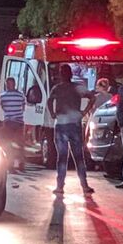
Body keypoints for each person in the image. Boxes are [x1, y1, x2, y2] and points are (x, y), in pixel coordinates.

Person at [47, 64, 95, 195]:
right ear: (71, 74)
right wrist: (84, 112)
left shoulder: (57, 88)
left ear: (61, 74)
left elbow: (49, 101)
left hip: (61, 125)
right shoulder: (77, 88)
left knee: (62, 157)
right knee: (79, 157)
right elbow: (92, 97)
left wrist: (52, 113)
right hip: (75, 124)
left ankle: (60, 186)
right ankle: (84, 185)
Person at [0, 77, 27, 171]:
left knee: (8, 144)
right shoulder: (21, 95)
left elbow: (3, 107)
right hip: (19, 122)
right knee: (20, 144)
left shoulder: (3, 96)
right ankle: (21, 164)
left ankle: (10, 165)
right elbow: (23, 107)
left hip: (8, 122)